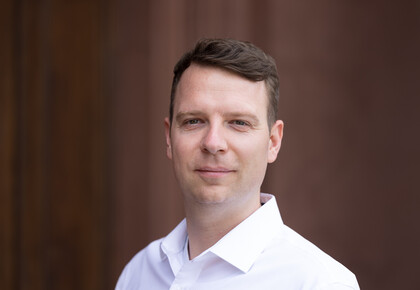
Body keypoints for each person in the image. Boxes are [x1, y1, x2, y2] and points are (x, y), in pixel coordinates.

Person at [116, 38, 360, 289]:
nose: (213, 143)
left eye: (239, 123)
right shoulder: (139, 272)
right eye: (194, 121)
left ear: (273, 142)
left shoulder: (320, 282)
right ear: (169, 137)